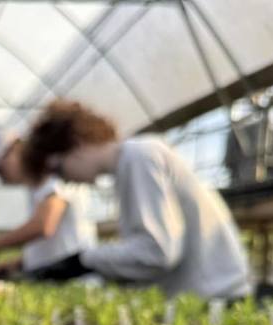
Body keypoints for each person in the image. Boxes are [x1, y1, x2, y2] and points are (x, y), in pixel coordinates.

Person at [22, 100, 252, 297]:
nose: (65, 180)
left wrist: (85, 261)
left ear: (77, 144)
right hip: (211, 292)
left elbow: (156, 253)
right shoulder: (134, 160)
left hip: (217, 295)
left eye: (59, 170)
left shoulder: (138, 156)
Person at [0, 130, 97, 280]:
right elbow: (43, 250)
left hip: (76, 279)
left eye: (0, 170)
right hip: (56, 277)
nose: (2, 180)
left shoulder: (53, 174)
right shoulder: (36, 188)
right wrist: (2, 268)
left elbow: (43, 226)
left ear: (14, 150)